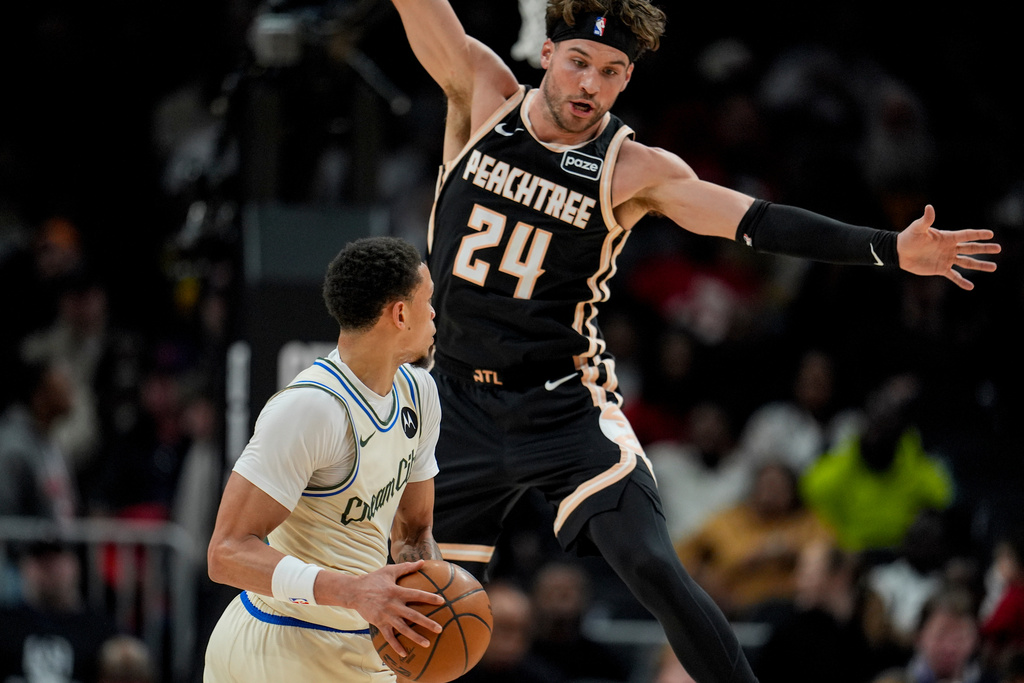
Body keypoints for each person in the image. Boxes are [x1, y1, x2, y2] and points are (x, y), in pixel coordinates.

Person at [386, 1, 1000, 682]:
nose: (591, 84)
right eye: (580, 62)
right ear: (547, 55)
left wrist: (890, 249)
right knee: (423, 619)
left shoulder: (632, 168)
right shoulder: (480, 93)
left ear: (625, 83)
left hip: (560, 408)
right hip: (455, 407)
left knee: (652, 565)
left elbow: (756, 222)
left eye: (612, 72)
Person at [203, 236, 447, 682]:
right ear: (399, 314)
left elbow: (414, 531)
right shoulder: (313, 409)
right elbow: (225, 553)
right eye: (428, 301)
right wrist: (355, 592)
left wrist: (429, 605)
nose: (435, 313)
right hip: (277, 644)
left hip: (358, 642)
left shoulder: (420, 394)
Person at [800, 373, 955, 554]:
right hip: (853, 555)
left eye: (888, 423)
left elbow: (943, 495)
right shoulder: (843, 463)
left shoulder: (913, 461)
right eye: (876, 425)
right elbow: (811, 488)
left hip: (902, 555)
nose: (880, 433)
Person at [674, 460, 834, 619]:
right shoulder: (728, 521)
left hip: (790, 610)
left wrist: (788, 550)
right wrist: (703, 577)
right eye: (766, 485)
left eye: (778, 486)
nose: (772, 492)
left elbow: (827, 556)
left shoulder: (809, 523)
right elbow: (681, 555)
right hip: (728, 607)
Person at [0, 539, 119, 683]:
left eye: (56, 562)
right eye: (41, 563)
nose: (49, 571)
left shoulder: (100, 628)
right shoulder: (7, 622)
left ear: (75, 565)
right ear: (25, 568)